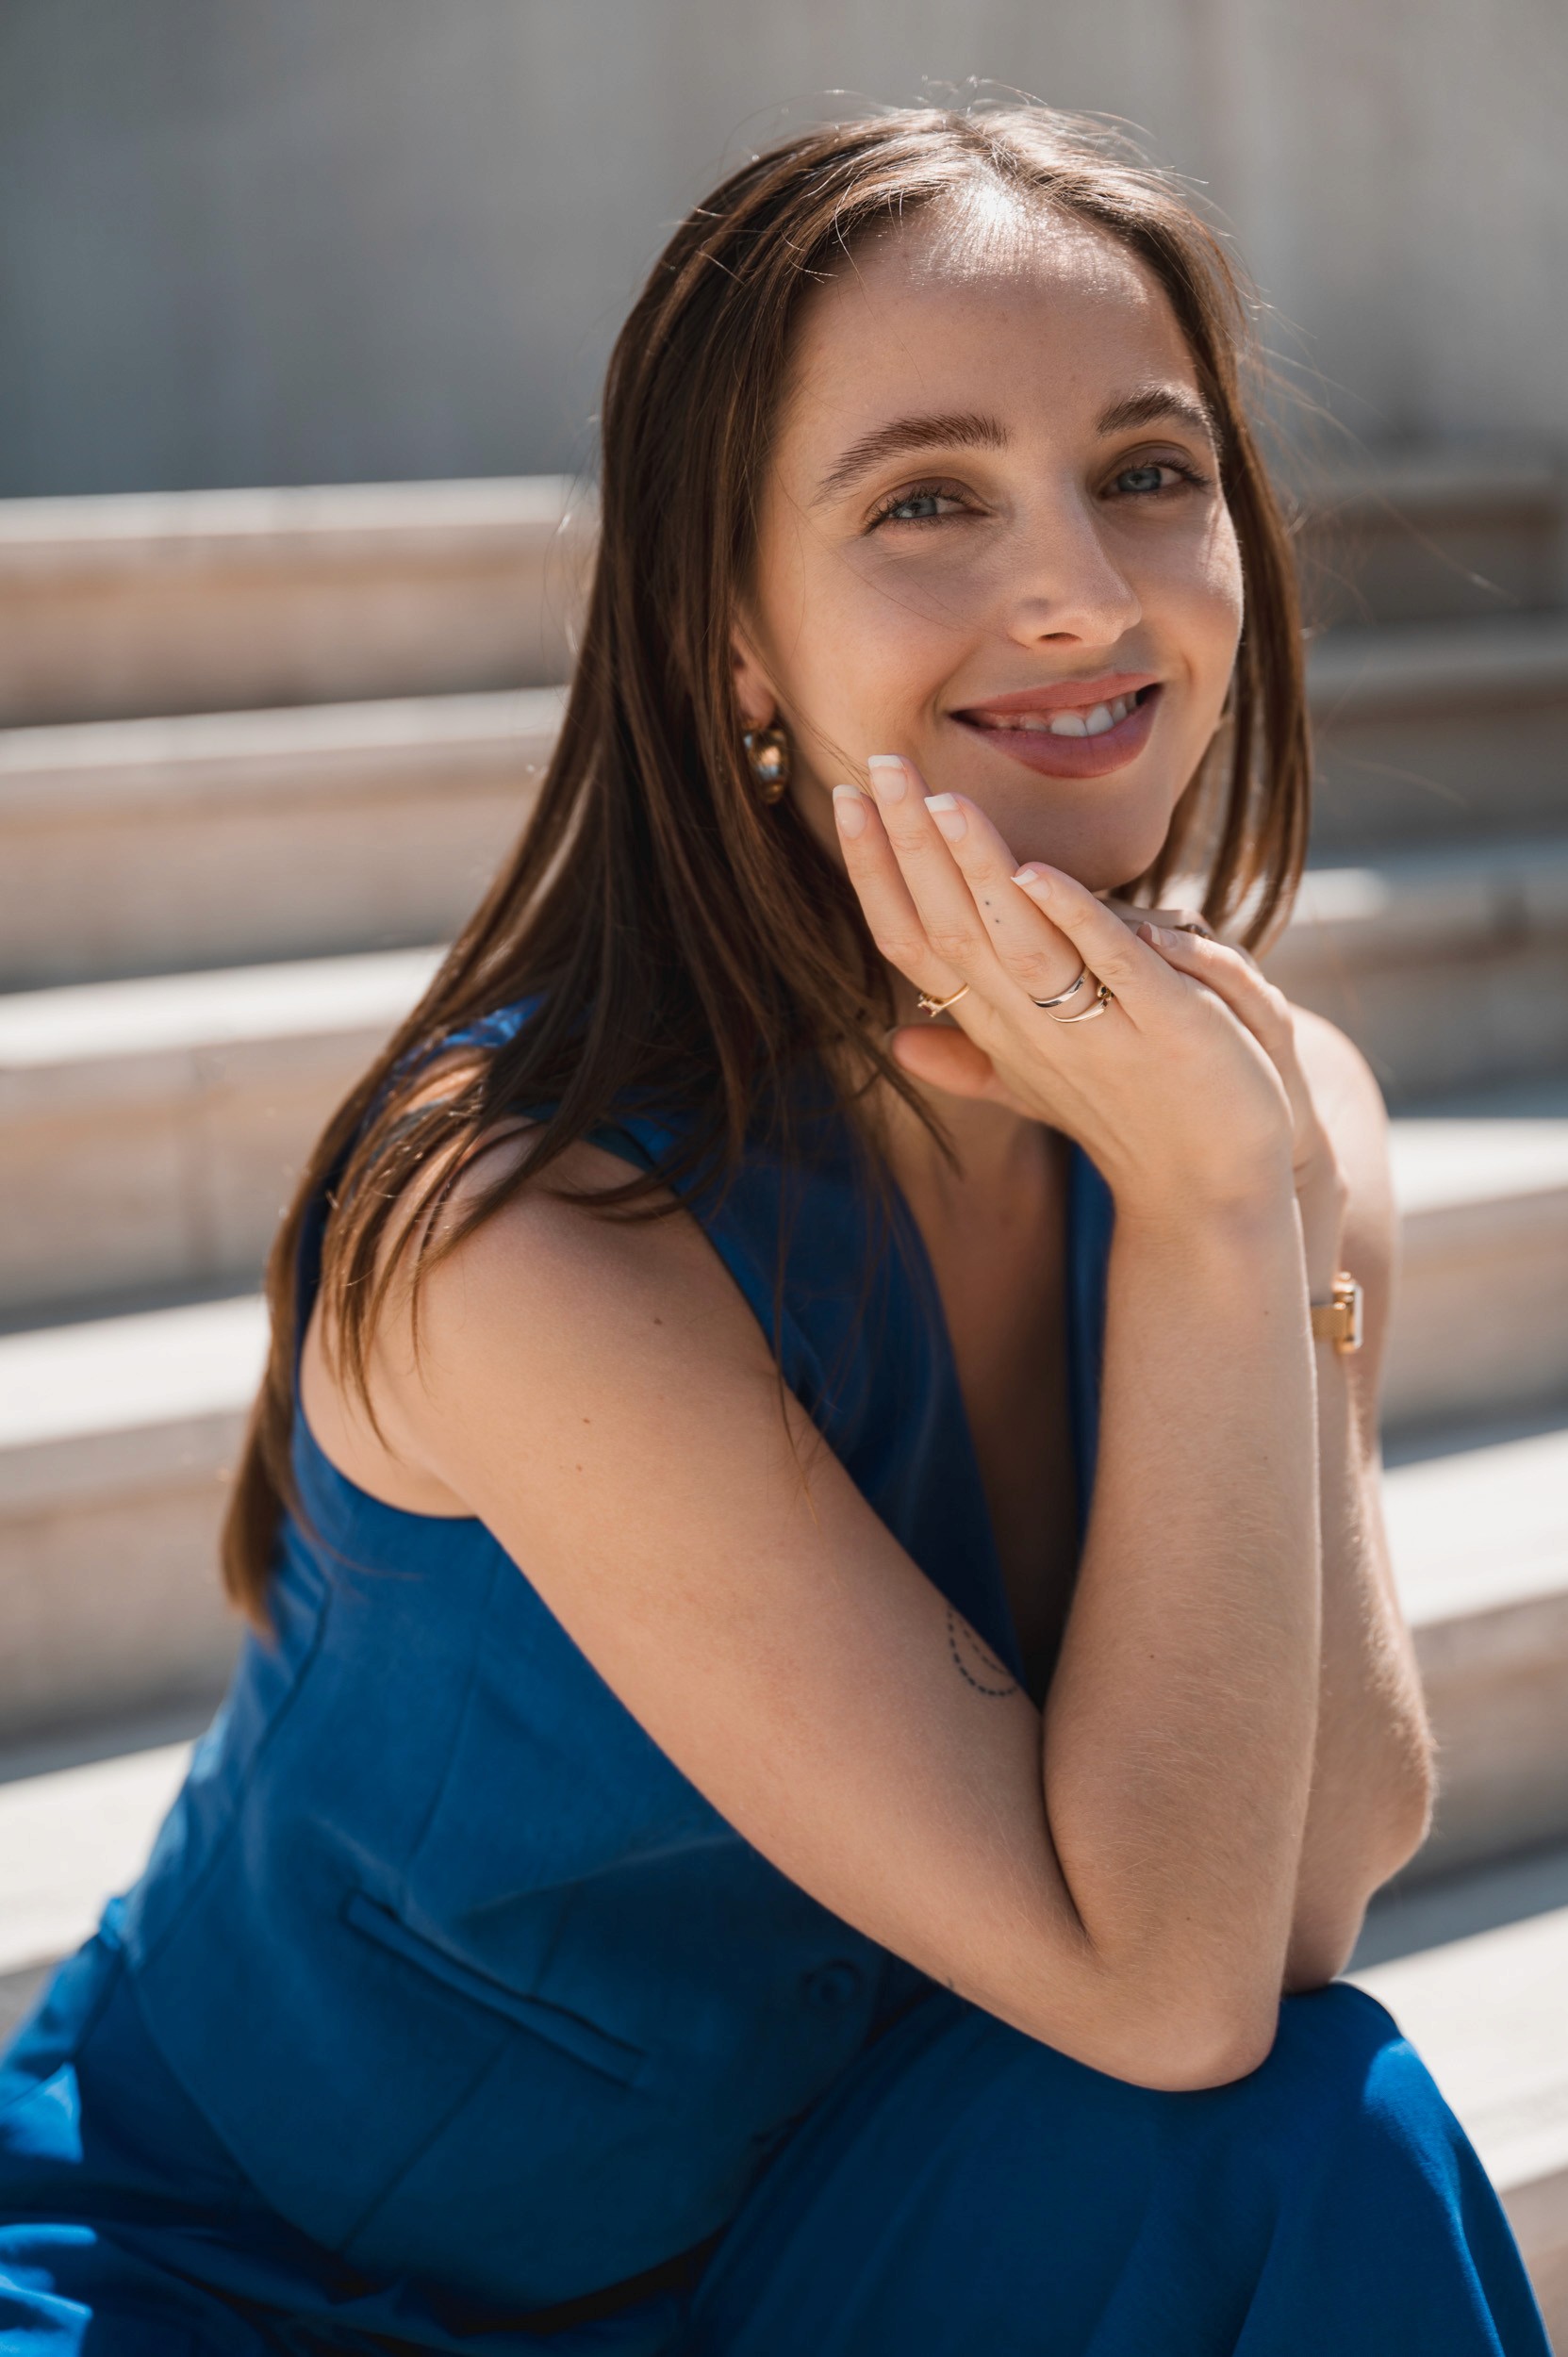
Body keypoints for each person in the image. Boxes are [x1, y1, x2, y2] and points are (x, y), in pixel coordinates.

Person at [0, 104, 1550, 2356]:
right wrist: (1230, 1214)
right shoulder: (526, 1230)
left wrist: (1233, 1201)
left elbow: (1291, 1900)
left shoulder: (1255, 1119)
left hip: (810, 2221)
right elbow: (1162, 1975)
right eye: (928, 498)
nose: (1084, 594)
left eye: (1150, 470)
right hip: (269, 2284)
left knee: (1322, 2129)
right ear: (730, 634)